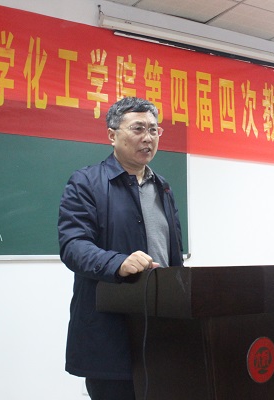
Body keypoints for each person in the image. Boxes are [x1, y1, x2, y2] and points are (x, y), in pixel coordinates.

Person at [58, 97, 184, 400]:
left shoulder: (163, 187)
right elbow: (73, 245)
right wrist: (117, 263)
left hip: (161, 330)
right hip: (109, 331)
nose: (148, 138)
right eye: (138, 129)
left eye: (153, 130)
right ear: (112, 135)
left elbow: (173, 255)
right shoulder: (86, 182)